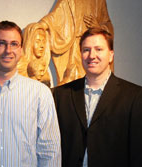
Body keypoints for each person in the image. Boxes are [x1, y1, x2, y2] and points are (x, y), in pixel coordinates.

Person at [0, 20, 61, 167]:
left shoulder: (40, 93)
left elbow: (50, 151)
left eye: (14, 44)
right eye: (1, 43)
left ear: (21, 49)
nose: (8, 50)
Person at [52, 28, 142, 167]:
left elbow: (137, 150)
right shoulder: (60, 95)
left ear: (111, 55)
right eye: (86, 50)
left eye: (98, 49)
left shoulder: (134, 96)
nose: (92, 55)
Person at [23, 0, 114, 86]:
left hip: (93, 44)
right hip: (75, 48)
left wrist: (98, 27)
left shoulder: (99, 1)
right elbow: (56, 16)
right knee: (73, 78)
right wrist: (42, 25)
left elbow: (108, 26)